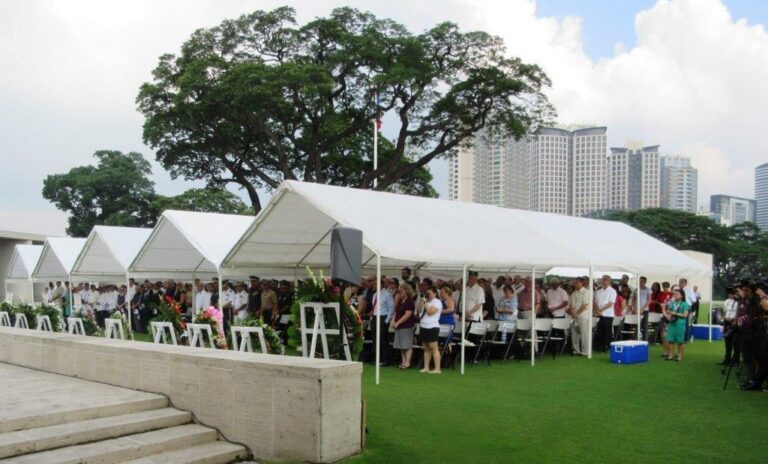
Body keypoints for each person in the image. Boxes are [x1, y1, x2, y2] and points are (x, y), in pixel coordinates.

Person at [417, 286, 443, 374]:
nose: (428, 295)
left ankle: (437, 369)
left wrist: (426, 303)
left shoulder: (437, 302)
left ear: (435, 293)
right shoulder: (426, 301)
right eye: (427, 293)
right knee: (426, 348)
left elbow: (430, 312)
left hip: (432, 327)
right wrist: (421, 302)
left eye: (429, 293)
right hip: (423, 326)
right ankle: (426, 367)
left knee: (434, 348)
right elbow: (419, 311)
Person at [392, 284, 416, 369]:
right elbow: (396, 311)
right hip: (399, 326)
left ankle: (407, 362)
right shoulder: (400, 301)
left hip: (407, 326)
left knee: (407, 345)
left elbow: (408, 314)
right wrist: (393, 321)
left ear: (406, 291)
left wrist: (398, 322)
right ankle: (403, 361)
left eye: (401, 291)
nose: (400, 293)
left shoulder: (410, 302)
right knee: (401, 345)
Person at [371, 277, 394, 367]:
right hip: (375, 317)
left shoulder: (387, 294)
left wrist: (387, 320)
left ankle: (385, 360)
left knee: (383, 340)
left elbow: (391, 308)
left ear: (381, 284)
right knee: (375, 339)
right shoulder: (375, 294)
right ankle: (377, 359)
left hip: (382, 317)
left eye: (376, 284)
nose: (374, 285)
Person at [663, 288, 690, 362]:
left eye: (677, 294)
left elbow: (685, 315)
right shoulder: (672, 303)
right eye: (674, 294)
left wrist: (675, 314)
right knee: (670, 340)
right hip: (672, 323)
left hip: (680, 324)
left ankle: (680, 357)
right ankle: (670, 355)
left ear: (682, 296)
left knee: (680, 341)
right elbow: (669, 310)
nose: (675, 295)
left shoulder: (685, 304)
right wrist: (669, 313)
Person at [568, 277, 590, 355]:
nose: (575, 284)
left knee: (584, 334)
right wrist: (573, 314)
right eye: (574, 283)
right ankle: (576, 350)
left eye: (577, 282)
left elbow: (584, 305)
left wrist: (576, 314)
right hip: (574, 316)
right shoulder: (574, 293)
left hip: (583, 316)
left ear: (582, 283)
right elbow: (571, 305)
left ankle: (585, 351)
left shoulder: (586, 292)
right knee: (574, 334)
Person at [594, 275, 616, 352]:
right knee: (600, 331)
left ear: (609, 281)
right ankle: (600, 346)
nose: (604, 281)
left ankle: (608, 346)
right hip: (599, 314)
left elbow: (610, 303)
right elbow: (595, 302)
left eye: (606, 280)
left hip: (608, 314)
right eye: (603, 280)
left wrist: (601, 310)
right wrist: (597, 310)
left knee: (607, 331)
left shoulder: (612, 291)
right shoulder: (598, 291)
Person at [720, 287, 739, 366]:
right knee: (727, 342)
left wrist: (733, 319)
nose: (730, 295)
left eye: (732, 293)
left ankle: (735, 360)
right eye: (729, 293)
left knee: (735, 342)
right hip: (726, 322)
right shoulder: (726, 301)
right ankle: (726, 359)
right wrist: (724, 318)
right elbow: (724, 312)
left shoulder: (738, 302)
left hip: (734, 323)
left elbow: (739, 313)